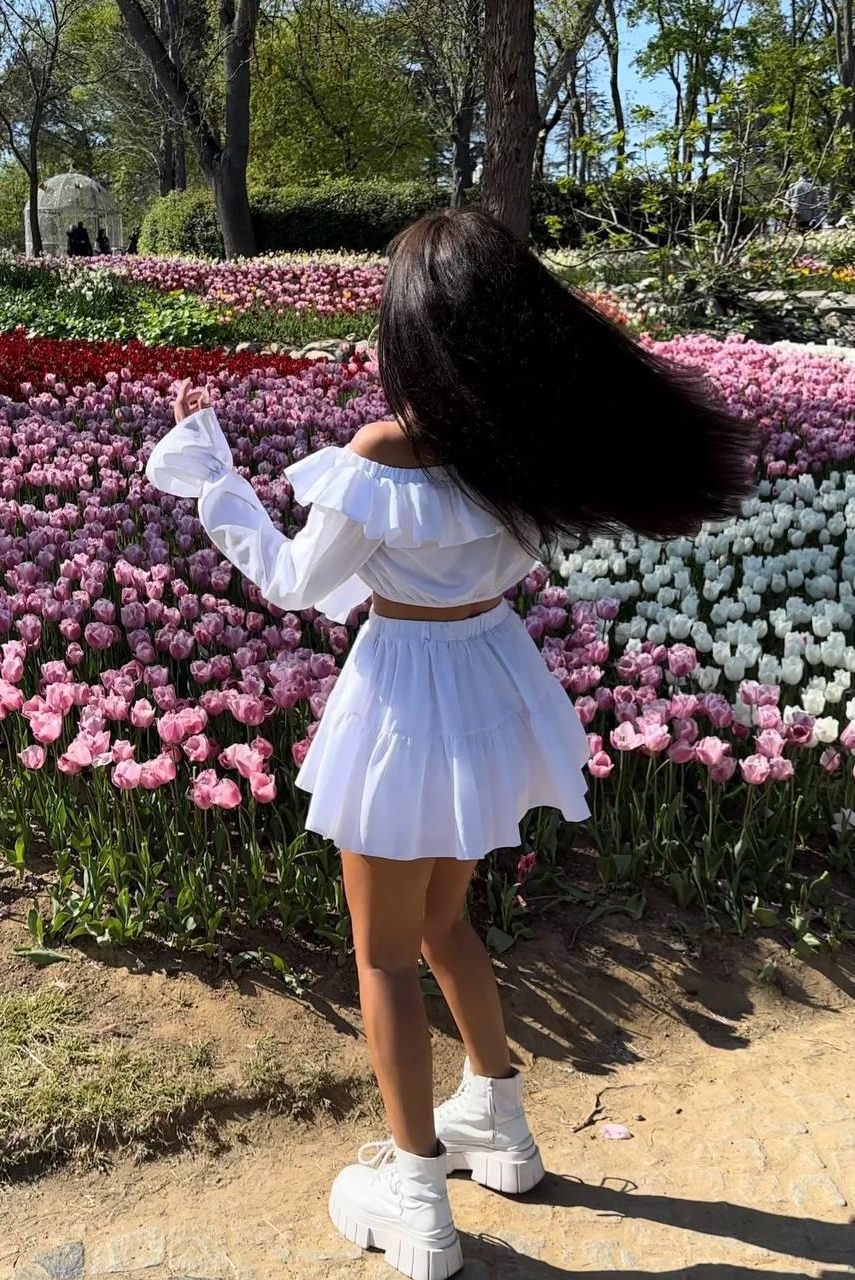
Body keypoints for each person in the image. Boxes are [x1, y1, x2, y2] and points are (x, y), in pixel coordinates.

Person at [147, 208, 758, 1280]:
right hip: (486, 681)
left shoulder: (388, 452)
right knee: (443, 920)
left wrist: (213, 484)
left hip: (401, 697)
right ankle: (502, 1126)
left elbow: (298, 582)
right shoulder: (525, 452)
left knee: (383, 950)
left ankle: (419, 1194)